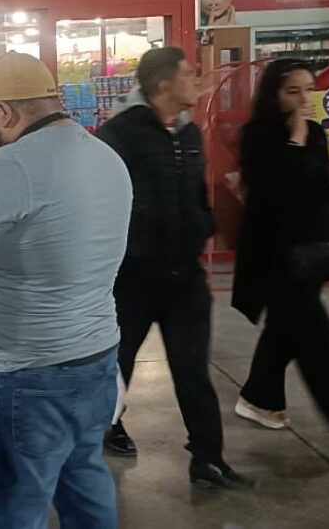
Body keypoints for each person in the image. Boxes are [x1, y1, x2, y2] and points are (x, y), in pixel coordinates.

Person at [0, 52, 131, 528]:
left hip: (26, 374)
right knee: (84, 483)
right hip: (95, 359)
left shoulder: (13, 165)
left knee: (13, 508)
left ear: (4, 112)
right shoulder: (103, 154)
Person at [96, 47, 252, 490]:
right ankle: (103, 432)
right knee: (116, 364)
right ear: (164, 83)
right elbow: (106, 201)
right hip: (134, 280)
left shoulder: (189, 133)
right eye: (189, 73)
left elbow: (196, 196)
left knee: (192, 369)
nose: (197, 79)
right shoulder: (120, 134)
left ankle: (207, 459)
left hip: (185, 279)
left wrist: (202, 226)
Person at [232, 58, 329, 463]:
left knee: (285, 330)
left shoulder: (317, 133)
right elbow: (272, 193)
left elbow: (317, 189)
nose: (304, 99)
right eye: (293, 91)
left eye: (308, 89)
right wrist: (296, 139)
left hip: (312, 251)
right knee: (316, 338)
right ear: (274, 94)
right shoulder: (258, 136)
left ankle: (258, 397)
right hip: (275, 257)